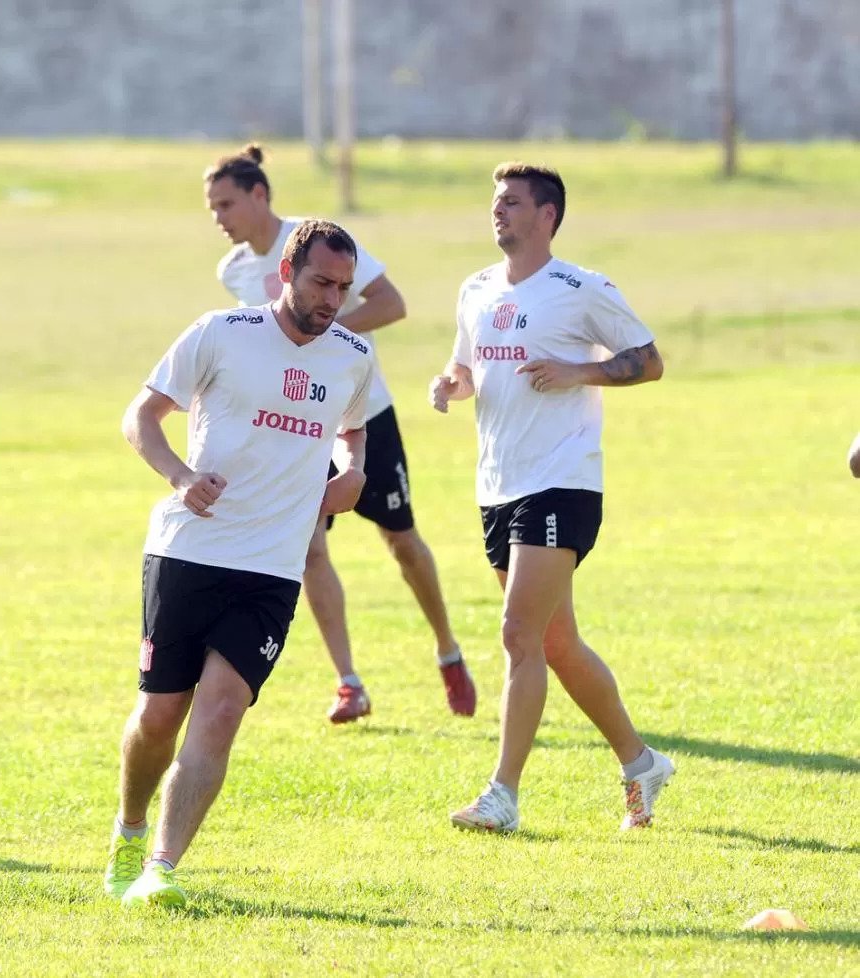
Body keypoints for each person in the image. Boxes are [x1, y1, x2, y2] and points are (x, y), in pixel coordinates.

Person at [105, 220, 375, 909]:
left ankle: (161, 868)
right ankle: (130, 829)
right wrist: (179, 476)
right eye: (321, 283)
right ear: (286, 272)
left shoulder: (351, 354)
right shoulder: (220, 331)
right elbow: (142, 415)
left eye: (343, 287)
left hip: (273, 569)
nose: (332, 299)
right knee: (161, 715)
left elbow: (353, 436)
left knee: (222, 710)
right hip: (188, 551)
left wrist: (351, 474)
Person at [429, 162, 675, 833]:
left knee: (517, 634)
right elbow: (469, 365)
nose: (497, 211)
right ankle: (642, 762)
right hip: (497, 483)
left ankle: (502, 795)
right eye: (494, 201)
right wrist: (452, 383)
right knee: (557, 642)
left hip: (562, 480)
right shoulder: (475, 290)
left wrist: (581, 370)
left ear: (548, 216)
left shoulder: (580, 288)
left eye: (511, 202)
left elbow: (649, 360)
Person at [204, 144, 475, 724]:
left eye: (227, 203)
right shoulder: (234, 272)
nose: (219, 218)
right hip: (295, 430)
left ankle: (448, 650)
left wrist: (326, 332)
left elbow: (391, 302)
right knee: (310, 549)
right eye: (211, 208)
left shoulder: (314, 239)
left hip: (362, 413)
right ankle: (349, 682)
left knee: (401, 541)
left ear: (259, 194)